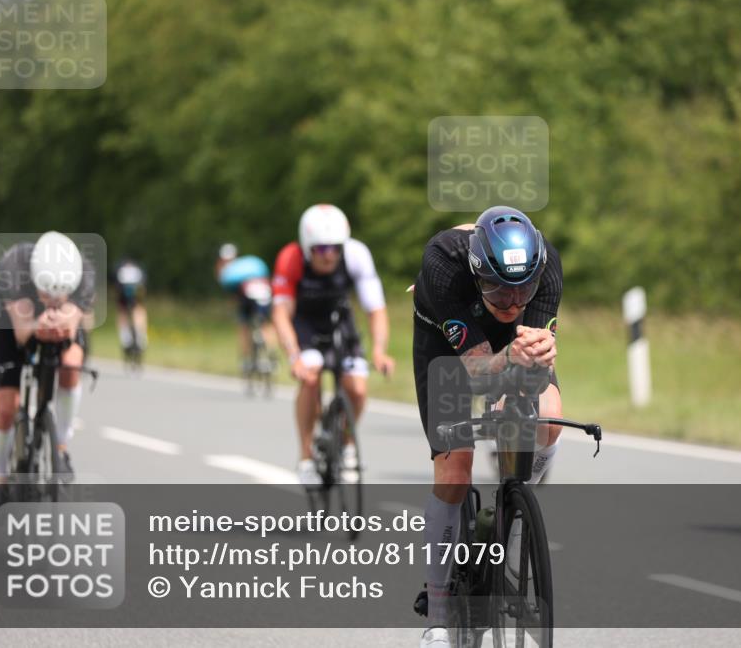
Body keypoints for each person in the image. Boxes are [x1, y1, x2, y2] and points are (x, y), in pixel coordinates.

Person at [411, 206, 562, 648]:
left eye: (524, 293)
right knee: (455, 469)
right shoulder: (443, 266)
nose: (515, 304)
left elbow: (533, 354)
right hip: (446, 345)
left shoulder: (547, 265)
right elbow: (476, 369)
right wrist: (506, 367)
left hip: (509, 346)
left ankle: (515, 520)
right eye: (501, 295)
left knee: (547, 420)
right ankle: (437, 613)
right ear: (478, 276)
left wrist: (531, 360)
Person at [271, 203, 395, 487]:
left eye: (335, 248)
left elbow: (375, 308)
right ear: (306, 247)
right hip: (305, 325)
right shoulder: (291, 258)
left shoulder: (356, 255)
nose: (329, 256)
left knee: (358, 389)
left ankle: (347, 444)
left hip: (341, 322)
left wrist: (379, 350)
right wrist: (294, 357)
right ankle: (305, 457)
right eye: (320, 250)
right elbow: (280, 313)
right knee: (310, 376)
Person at [0, 231, 96, 522]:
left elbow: (77, 323)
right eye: (45, 294)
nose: (51, 300)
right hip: (13, 322)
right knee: (6, 408)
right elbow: (21, 333)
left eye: (59, 296)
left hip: (56, 322)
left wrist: (66, 320)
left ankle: (61, 445)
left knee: (72, 364)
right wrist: (38, 324)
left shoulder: (83, 272)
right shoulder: (15, 267)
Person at [216, 245, 278, 375]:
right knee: (266, 324)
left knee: (243, 325)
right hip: (264, 293)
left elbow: (230, 290)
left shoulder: (229, 271)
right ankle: (272, 357)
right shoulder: (250, 265)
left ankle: (245, 360)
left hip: (247, 298)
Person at [112, 257, 148, 357]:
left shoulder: (120, 269)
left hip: (124, 294)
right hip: (136, 293)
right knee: (139, 309)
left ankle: (125, 337)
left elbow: (116, 286)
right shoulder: (138, 269)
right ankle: (141, 337)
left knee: (122, 311)